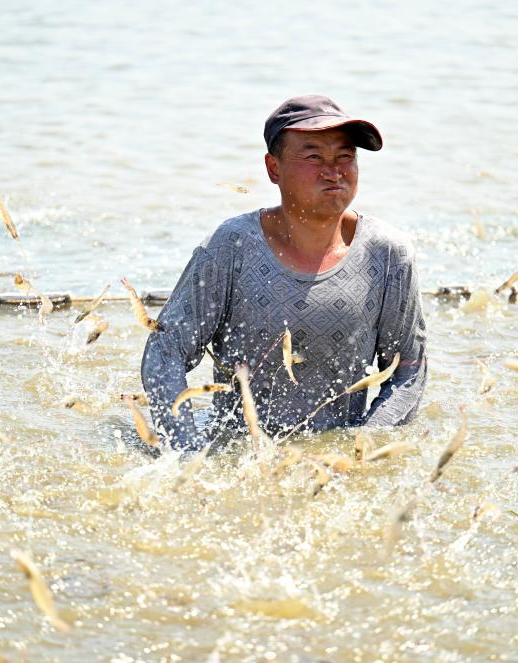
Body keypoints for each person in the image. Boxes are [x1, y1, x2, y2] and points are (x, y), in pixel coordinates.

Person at [140, 95, 427, 450]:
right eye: (313, 156)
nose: (333, 170)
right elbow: (165, 351)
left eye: (345, 156)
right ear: (273, 168)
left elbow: (408, 370)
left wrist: (361, 450)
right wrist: (188, 450)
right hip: (240, 453)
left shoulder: (388, 254)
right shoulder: (231, 246)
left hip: (333, 458)